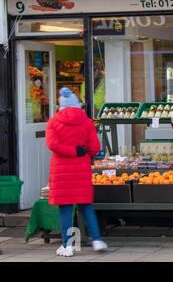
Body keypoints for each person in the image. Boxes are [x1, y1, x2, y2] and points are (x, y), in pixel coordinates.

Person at [46, 87, 108, 257]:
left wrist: (72, 151)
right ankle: (96, 240)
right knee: (86, 206)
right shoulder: (87, 122)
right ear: (77, 104)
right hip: (80, 169)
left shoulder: (53, 122)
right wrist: (81, 152)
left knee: (65, 209)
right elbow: (95, 148)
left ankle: (67, 246)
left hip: (61, 171)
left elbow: (52, 144)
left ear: (61, 105)